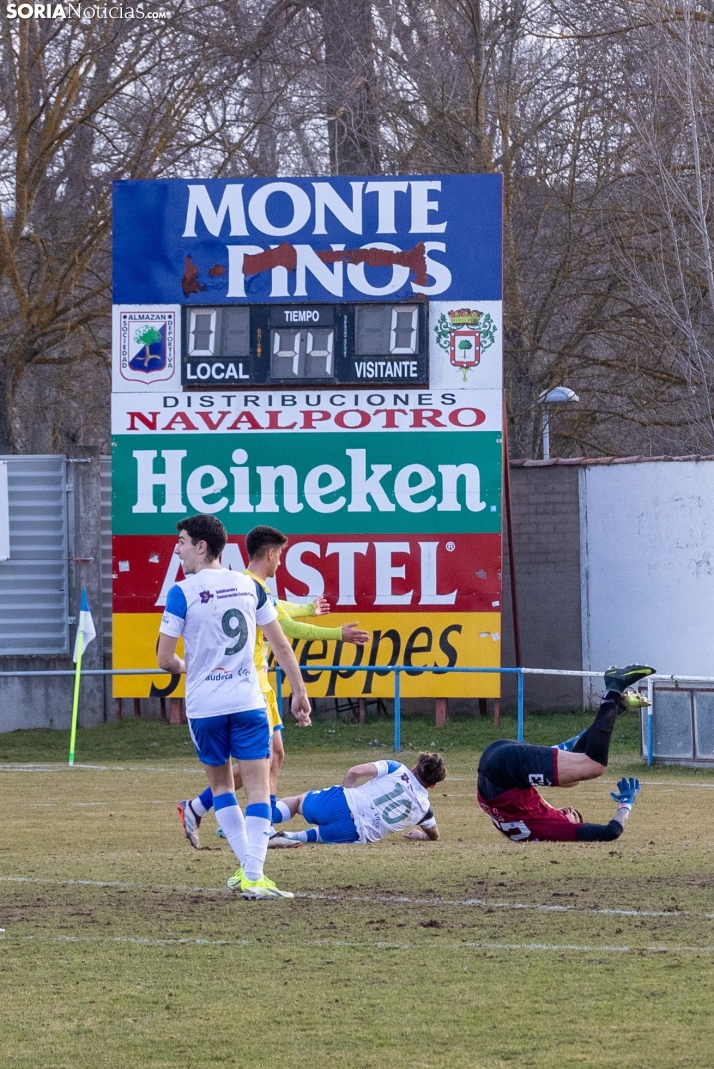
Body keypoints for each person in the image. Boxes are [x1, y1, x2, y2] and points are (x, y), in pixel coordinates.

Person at [177, 524, 369, 849]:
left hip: (260, 686)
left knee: (275, 755)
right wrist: (338, 634)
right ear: (270, 554)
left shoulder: (251, 584)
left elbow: (283, 608)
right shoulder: (248, 586)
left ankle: (214, 812)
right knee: (262, 760)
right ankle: (239, 820)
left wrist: (310, 607)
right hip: (248, 688)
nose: (281, 561)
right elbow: (288, 628)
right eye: (280, 555)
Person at [157, 514, 311, 900]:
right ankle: (253, 874)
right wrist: (299, 690)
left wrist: (184, 666)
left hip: (205, 707)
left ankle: (251, 873)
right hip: (247, 701)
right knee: (259, 790)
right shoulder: (248, 586)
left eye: (182, 540)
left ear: (201, 547)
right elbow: (281, 644)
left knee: (222, 786)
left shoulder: (182, 592)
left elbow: (164, 659)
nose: (177, 547)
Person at [476, 664, 655, 844]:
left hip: (503, 771)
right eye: (575, 812)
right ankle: (615, 703)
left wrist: (626, 803)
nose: (570, 809)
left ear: (575, 827)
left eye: (574, 815)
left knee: (595, 766)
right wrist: (616, 710)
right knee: (573, 777)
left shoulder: (558, 829)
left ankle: (614, 688)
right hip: (495, 763)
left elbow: (611, 832)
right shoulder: (537, 820)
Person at [267, 752, 445, 846]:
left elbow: (354, 772)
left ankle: (263, 824)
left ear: (415, 767)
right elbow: (434, 835)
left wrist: (345, 797)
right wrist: (421, 837)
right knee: (322, 835)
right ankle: (290, 836)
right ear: (433, 785)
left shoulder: (396, 768)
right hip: (355, 833)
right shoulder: (424, 809)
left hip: (341, 803)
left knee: (299, 802)